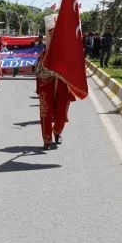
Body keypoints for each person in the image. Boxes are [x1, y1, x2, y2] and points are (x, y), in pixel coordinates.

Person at [37, 14, 75, 150]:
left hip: (63, 86)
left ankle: (57, 131)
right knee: (45, 112)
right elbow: (39, 73)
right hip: (47, 85)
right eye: (52, 36)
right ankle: (47, 139)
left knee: (62, 114)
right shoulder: (43, 55)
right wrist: (49, 71)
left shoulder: (67, 55)